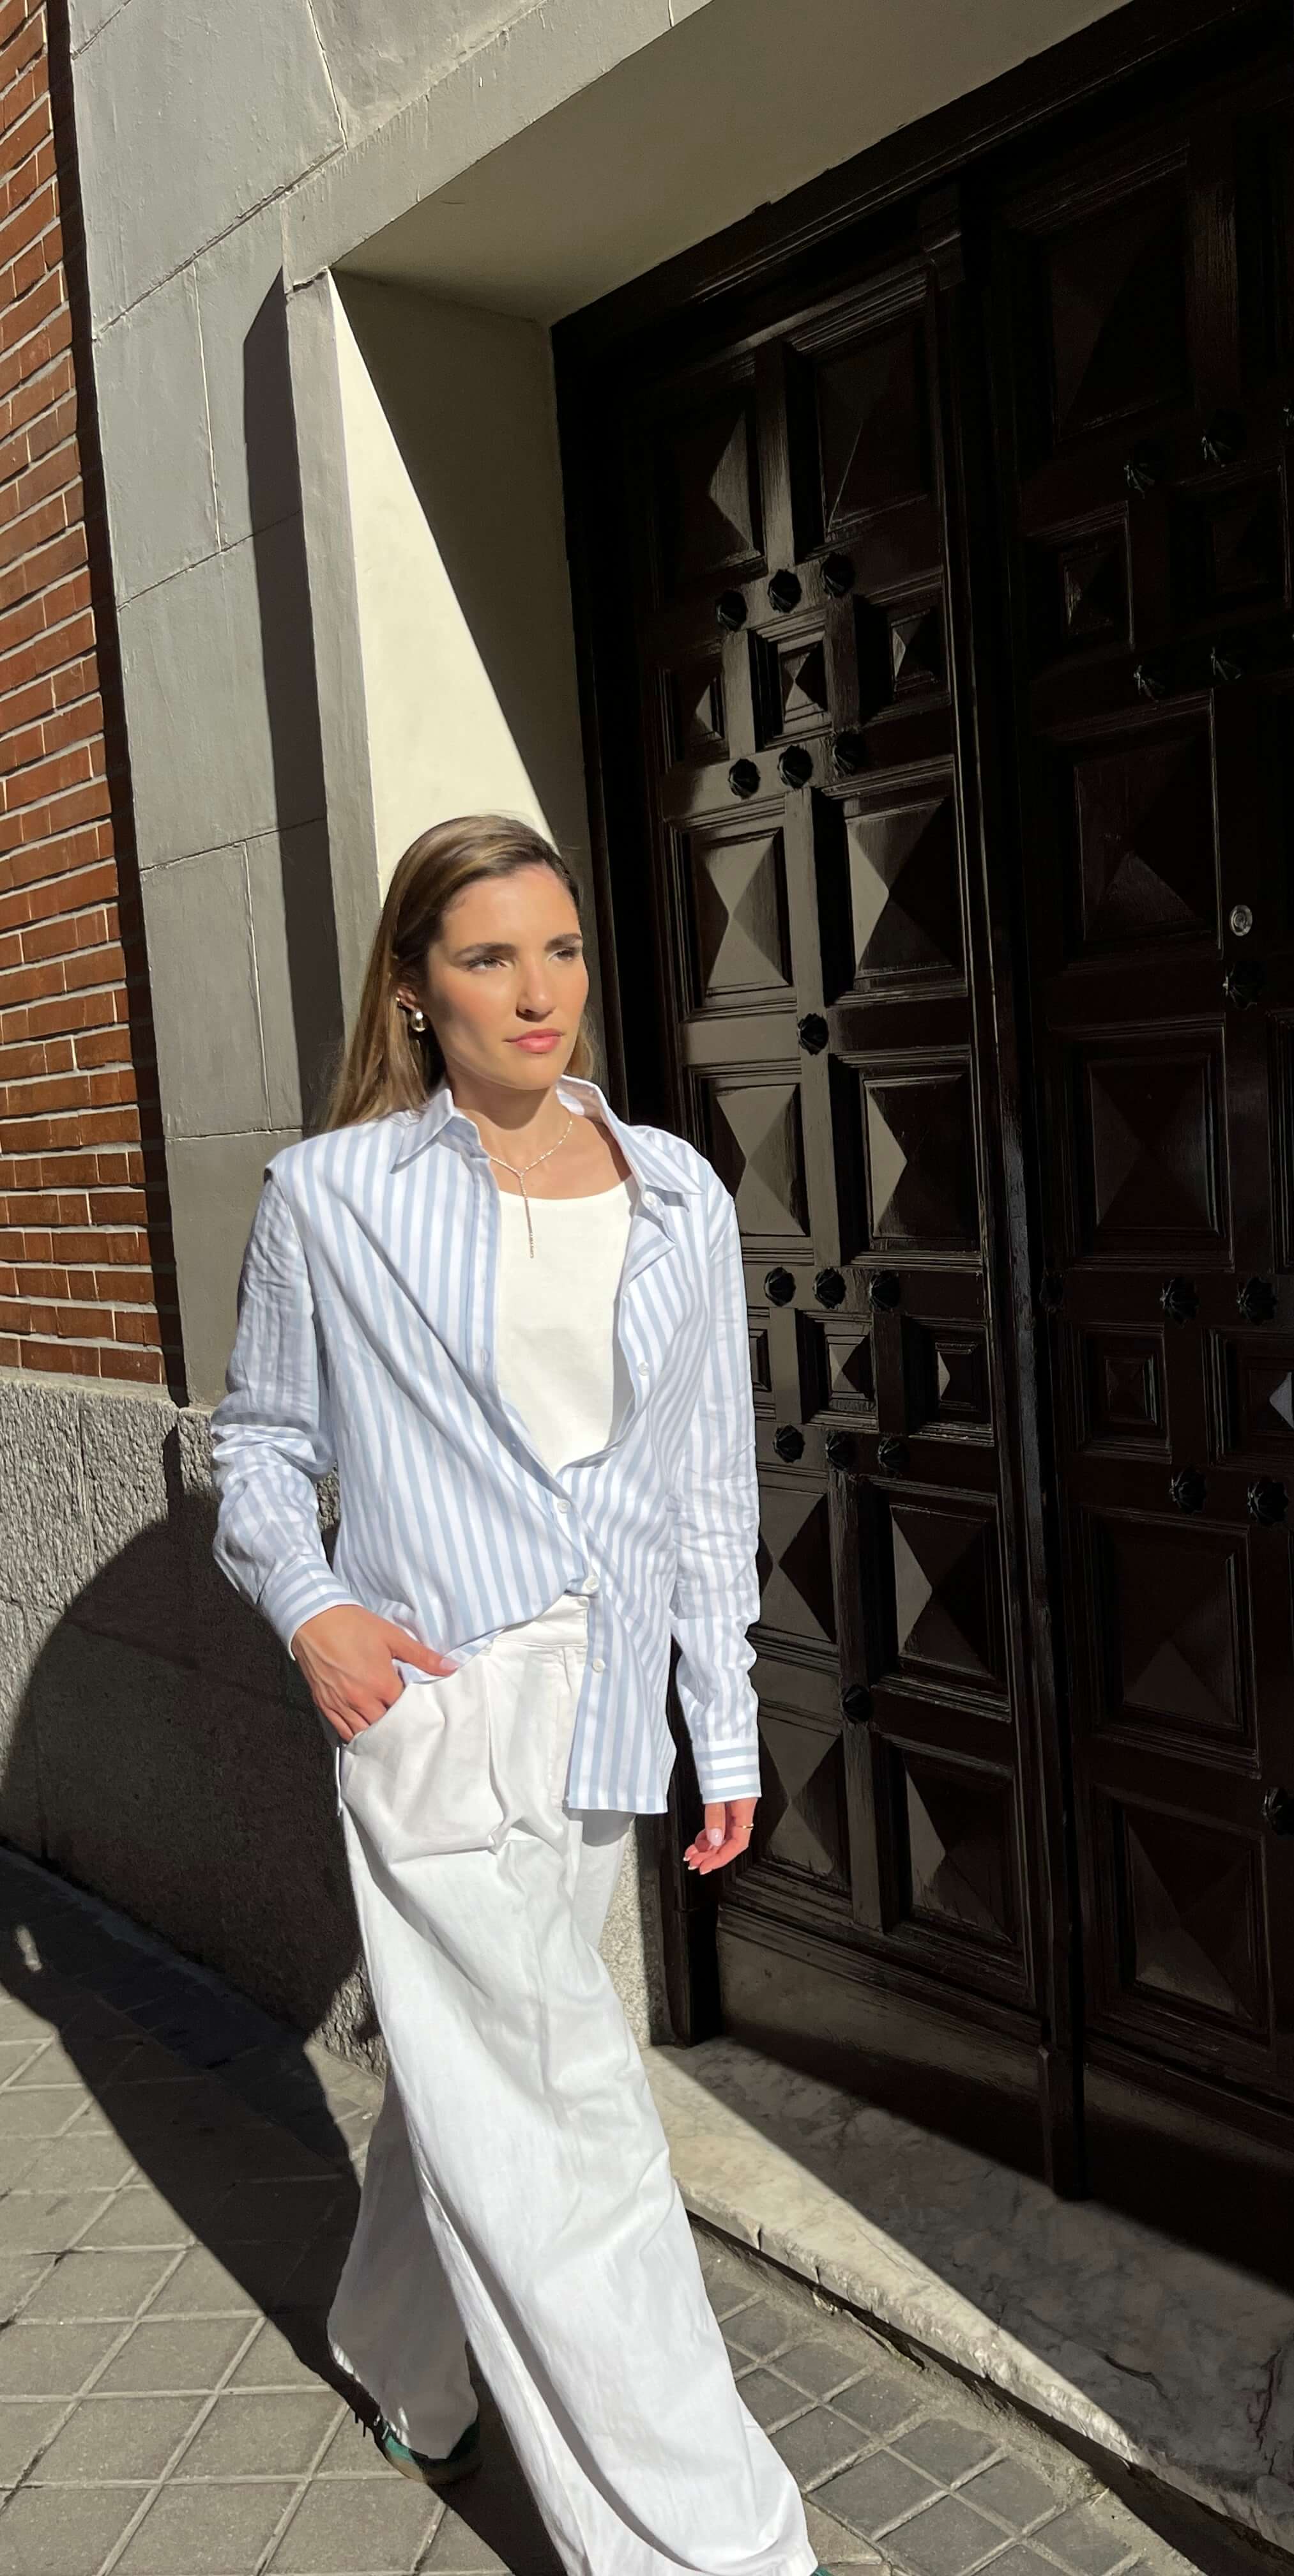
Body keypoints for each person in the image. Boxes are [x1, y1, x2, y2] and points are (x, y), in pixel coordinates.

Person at [208, 814, 818, 2576]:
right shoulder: (332, 1198)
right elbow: (261, 1446)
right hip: (438, 1705)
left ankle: (399, 2355)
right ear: (418, 990)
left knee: (487, 2064)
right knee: (572, 2120)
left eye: (558, 950)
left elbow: (706, 1482)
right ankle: (717, 2549)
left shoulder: (677, 1191)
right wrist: (315, 1610)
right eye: (489, 958)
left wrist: (729, 1717)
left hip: (611, 1704)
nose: (537, 992)